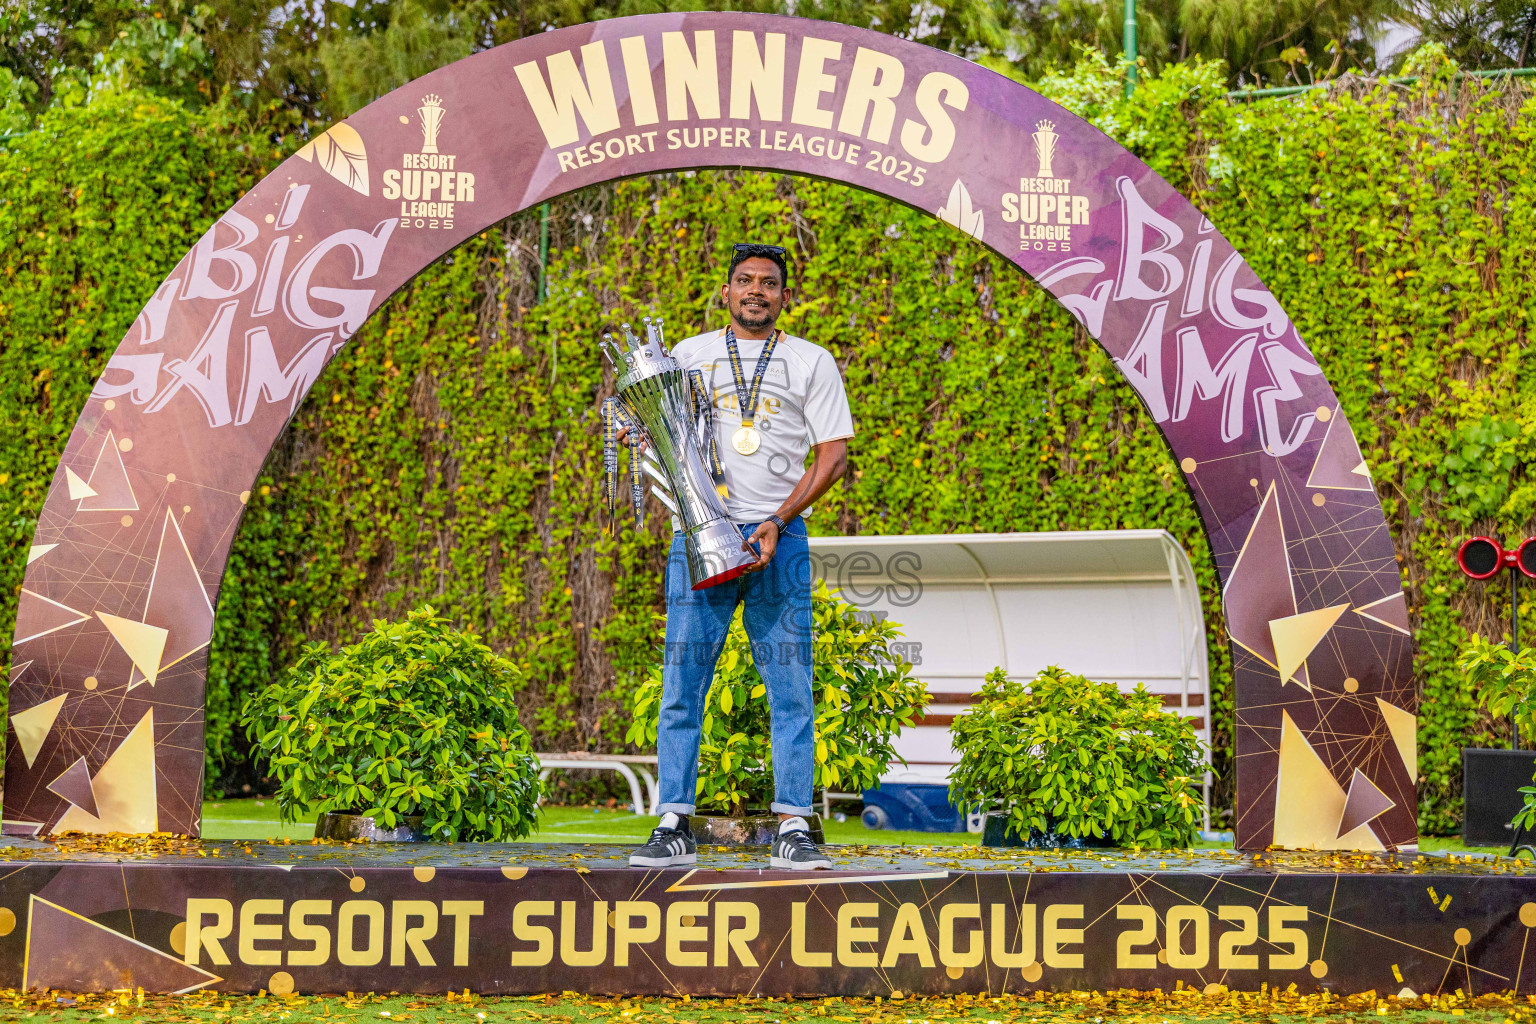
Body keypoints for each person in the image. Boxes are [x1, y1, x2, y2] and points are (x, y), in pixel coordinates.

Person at [625, 243, 854, 871]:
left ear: (785, 297)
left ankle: (793, 825)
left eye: (770, 283)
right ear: (725, 291)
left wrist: (778, 521)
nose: (756, 290)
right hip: (699, 534)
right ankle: (673, 821)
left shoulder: (813, 360)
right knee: (683, 682)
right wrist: (635, 429)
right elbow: (649, 420)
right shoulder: (690, 354)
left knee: (790, 685)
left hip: (780, 539)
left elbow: (832, 456)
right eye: (745, 280)